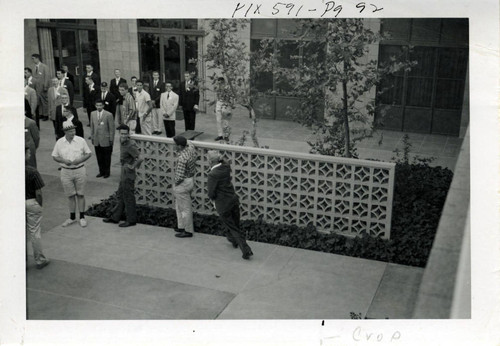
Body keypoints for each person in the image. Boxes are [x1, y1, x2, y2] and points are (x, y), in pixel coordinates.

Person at [207, 150, 253, 259]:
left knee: (233, 228)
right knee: (235, 225)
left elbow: (211, 193)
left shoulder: (212, 174)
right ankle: (233, 240)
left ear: (210, 162)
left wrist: (214, 201)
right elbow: (225, 161)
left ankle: (246, 250)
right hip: (233, 200)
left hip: (223, 204)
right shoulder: (226, 167)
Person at [51, 120, 92, 228]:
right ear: (65, 132)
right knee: (70, 195)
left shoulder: (81, 140)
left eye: (74, 130)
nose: (73, 133)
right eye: (70, 131)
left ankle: (82, 217)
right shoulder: (59, 142)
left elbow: (88, 153)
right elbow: (55, 156)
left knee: (81, 194)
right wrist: (64, 161)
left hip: (80, 169)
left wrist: (80, 160)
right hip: (65, 172)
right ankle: (72, 217)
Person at [103, 124, 143, 227]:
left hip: (128, 172)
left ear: (128, 133)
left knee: (128, 196)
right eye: (122, 133)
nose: (124, 135)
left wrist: (133, 166)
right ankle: (115, 217)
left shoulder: (130, 145)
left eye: (125, 133)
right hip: (123, 171)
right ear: (119, 133)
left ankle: (131, 220)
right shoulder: (122, 142)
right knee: (121, 194)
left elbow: (140, 158)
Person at [25, 145, 50, 270]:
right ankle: (40, 259)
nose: (30, 155)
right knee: (34, 232)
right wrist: (39, 205)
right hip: (31, 201)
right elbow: (38, 192)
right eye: (28, 153)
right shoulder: (32, 171)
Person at [173, 135, 197, 238]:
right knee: (179, 206)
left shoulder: (182, 158)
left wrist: (176, 184)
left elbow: (179, 176)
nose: (174, 146)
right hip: (190, 179)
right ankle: (181, 226)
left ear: (179, 146)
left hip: (183, 183)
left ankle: (188, 230)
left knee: (184, 208)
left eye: (175, 144)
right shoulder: (190, 150)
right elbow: (191, 144)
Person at [90, 99, 115, 178]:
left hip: (105, 139)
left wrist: (111, 139)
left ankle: (107, 172)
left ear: (103, 106)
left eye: (100, 105)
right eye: (97, 105)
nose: (99, 107)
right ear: (95, 106)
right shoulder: (92, 114)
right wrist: (93, 137)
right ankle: (101, 171)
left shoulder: (108, 115)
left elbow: (111, 128)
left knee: (107, 157)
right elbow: (92, 127)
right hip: (97, 139)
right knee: (99, 156)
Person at [31, 53, 51, 121]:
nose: (32, 60)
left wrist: (45, 86)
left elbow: (47, 77)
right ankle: (41, 114)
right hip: (36, 88)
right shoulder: (33, 67)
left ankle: (46, 115)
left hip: (43, 87)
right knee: (38, 101)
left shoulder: (44, 67)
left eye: (33, 58)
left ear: (37, 58)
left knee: (44, 101)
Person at [214, 77, 234, 141]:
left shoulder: (228, 88)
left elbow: (231, 97)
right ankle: (220, 135)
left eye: (220, 83)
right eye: (218, 82)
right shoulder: (217, 88)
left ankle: (226, 135)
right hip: (219, 103)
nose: (219, 84)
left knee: (225, 121)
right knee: (218, 120)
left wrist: (230, 106)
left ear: (223, 82)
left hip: (226, 104)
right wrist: (215, 106)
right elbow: (216, 97)